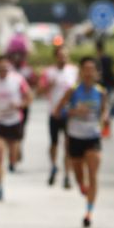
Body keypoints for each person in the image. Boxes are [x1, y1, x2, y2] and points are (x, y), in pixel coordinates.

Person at [63, 57, 109, 227]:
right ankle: (82, 185)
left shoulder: (101, 92)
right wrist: (74, 111)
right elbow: (58, 111)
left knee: (93, 174)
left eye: (92, 69)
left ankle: (89, 212)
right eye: (86, 69)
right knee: (79, 174)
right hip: (75, 136)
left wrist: (104, 119)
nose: (89, 73)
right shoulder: (73, 91)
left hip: (93, 136)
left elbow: (104, 111)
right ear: (81, 72)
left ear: (96, 72)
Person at [0, 53, 31, 200]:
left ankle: (12, 162)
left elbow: (29, 97)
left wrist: (20, 105)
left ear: (9, 67)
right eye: (0, 68)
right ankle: (0, 187)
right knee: (0, 156)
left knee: (13, 154)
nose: (3, 71)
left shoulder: (18, 80)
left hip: (14, 121)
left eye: (6, 68)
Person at [42, 46, 79, 188]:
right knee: (54, 143)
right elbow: (41, 90)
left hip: (69, 114)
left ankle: (67, 175)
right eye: (60, 55)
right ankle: (53, 166)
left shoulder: (73, 71)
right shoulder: (49, 72)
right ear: (56, 57)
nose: (63, 58)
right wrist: (49, 86)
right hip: (53, 113)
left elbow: (77, 90)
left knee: (68, 145)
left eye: (65, 55)